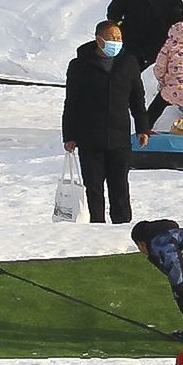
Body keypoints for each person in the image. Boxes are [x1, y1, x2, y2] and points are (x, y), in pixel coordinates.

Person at [62, 19, 141, 224]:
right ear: (99, 40)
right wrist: (69, 135)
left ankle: (123, 225)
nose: (117, 42)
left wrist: (143, 128)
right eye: (112, 38)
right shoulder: (80, 65)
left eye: (119, 38)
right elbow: (72, 102)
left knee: (120, 186)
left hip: (119, 137)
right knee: (94, 187)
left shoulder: (129, 62)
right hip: (90, 138)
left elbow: (137, 98)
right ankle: (97, 225)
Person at [108, 0, 183, 133]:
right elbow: (113, 13)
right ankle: (126, 115)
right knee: (129, 79)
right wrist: (119, 29)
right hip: (132, 44)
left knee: (155, 81)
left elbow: (179, 18)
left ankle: (156, 119)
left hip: (160, 46)